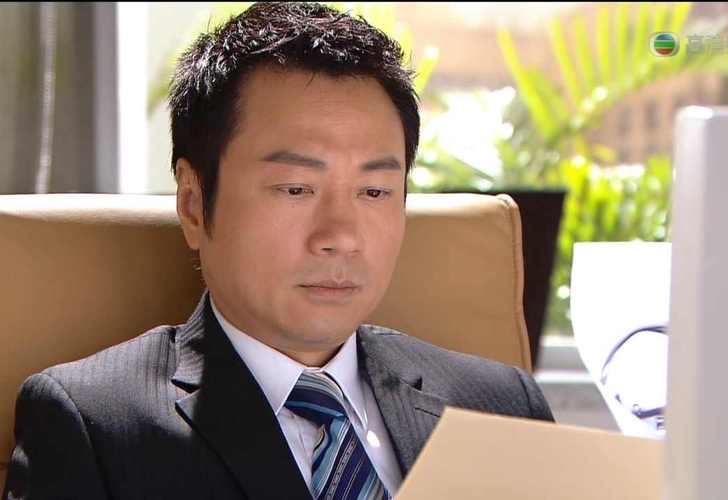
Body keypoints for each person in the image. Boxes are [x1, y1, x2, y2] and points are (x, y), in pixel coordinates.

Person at [2, 3, 553, 499]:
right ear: (193, 204)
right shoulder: (93, 426)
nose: (341, 235)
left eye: (374, 192)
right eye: (296, 189)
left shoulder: (500, 406)